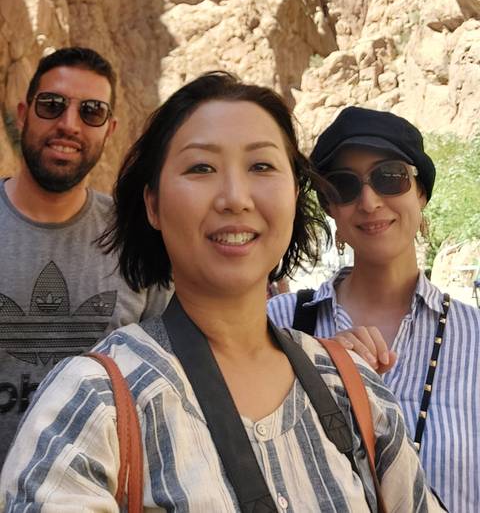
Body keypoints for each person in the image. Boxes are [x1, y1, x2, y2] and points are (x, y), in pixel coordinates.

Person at [0, 73, 443, 511]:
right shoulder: (94, 402)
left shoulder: (354, 389)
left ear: (294, 193)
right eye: (201, 168)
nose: (235, 197)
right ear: (153, 204)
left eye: (261, 166)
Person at [268, 105, 480, 513]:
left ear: (420, 192)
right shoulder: (278, 324)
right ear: (330, 208)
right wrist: (317, 369)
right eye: (343, 186)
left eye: (390, 177)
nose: (368, 200)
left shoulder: (473, 337)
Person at [0, 46, 168, 467]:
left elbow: (162, 379)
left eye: (90, 111)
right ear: (23, 114)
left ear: (109, 130)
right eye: (51, 105)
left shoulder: (136, 238)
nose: (68, 125)